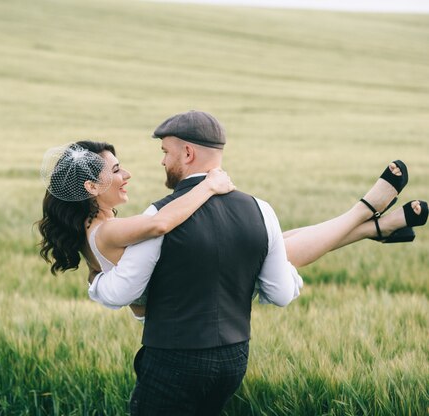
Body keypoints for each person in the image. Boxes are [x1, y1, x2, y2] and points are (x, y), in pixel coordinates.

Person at [37, 112, 428, 415]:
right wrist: (209, 184)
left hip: (174, 350)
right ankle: (365, 219)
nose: (133, 172)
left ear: (186, 153)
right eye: (116, 169)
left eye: (163, 153)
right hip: (229, 355)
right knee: (274, 246)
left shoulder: (107, 226)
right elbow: (157, 225)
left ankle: (369, 224)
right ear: (91, 187)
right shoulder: (115, 229)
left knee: (276, 243)